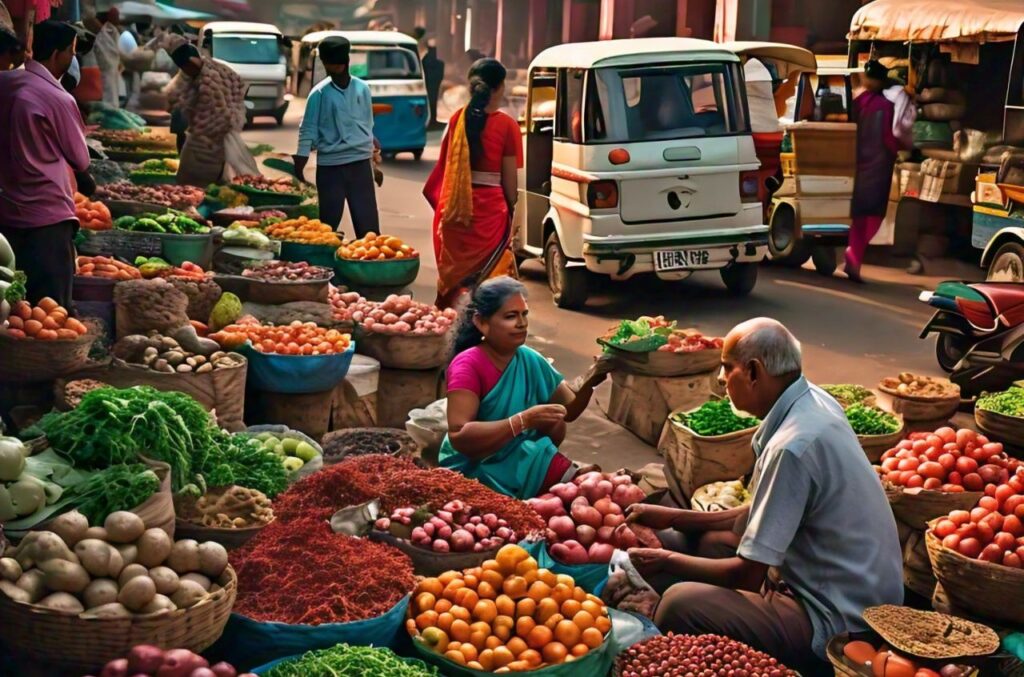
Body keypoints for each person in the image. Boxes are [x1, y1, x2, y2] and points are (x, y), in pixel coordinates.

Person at [621, 318, 903, 673]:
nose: (722, 380)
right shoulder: (813, 401)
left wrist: (666, 560)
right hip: (841, 587)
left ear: (754, 372)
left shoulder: (793, 446)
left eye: (727, 368)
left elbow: (747, 575)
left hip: (841, 619)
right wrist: (677, 518)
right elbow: (760, 512)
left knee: (678, 604)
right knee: (708, 542)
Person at [440, 277, 614, 499]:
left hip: (518, 454)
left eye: (524, 315)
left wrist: (593, 377)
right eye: (510, 316)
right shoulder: (468, 365)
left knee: (555, 422)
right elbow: (459, 435)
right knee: (571, 486)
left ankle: (552, 478)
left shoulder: (529, 358)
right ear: (481, 322)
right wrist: (522, 421)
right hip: (476, 465)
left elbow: (567, 411)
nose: (521, 323)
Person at [0, 20, 93, 309]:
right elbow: (80, 158)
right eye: (71, 52)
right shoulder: (58, 98)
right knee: (50, 307)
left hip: (8, 210)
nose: (72, 58)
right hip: (48, 216)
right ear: (57, 53)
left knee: (14, 306)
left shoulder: (5, 83)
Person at [424, 58, 520, 309]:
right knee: (492, 284)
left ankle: (452, 328)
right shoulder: (507, 125)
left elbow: (445, 168)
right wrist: (512, 208)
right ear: (500, 88)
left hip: (456, 211)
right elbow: (510, 182)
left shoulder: (457, 120)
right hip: (491, 212)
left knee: (456, 282)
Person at [294, 36, 380, 238]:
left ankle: (370, 265)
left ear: (347, 60)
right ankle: (324, 265)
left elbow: (367, 123)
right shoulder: (319, 93)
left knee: (368, 227)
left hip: (359, 164)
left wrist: (372, 150)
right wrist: (300, 158)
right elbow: (308, 129)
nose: (333, 67)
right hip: (330, 167)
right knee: (327, 227)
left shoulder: (362, 88)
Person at [165, 42, 250, 187]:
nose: (186, 69)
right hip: (197, 142)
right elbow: (172, 99)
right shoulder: (186, 75)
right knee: (189, 185)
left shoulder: (216, 77)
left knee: (207, 183)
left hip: (213, 145)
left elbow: (229, 110)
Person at [845, 60, 900, 282]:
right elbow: (888, 138)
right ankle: (854, 257)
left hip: (856, 165)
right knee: (873, 217)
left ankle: (853, 256)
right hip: (878, 168)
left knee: (858, 216)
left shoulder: (856, 102)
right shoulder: (886, 106)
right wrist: (898, 151)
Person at [93, 8, 121, 107]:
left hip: (111, 72)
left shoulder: (114, 31)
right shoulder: (98, 33)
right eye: (116, 15)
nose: (119, 17)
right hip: (100, 72)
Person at [422, 39, 444, 129]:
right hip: (433, 83)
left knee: (431, 102)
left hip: (430, 83)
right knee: (433, 102)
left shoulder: (426, 58)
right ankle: (432, 120)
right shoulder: (434, 59)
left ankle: (432, 120)